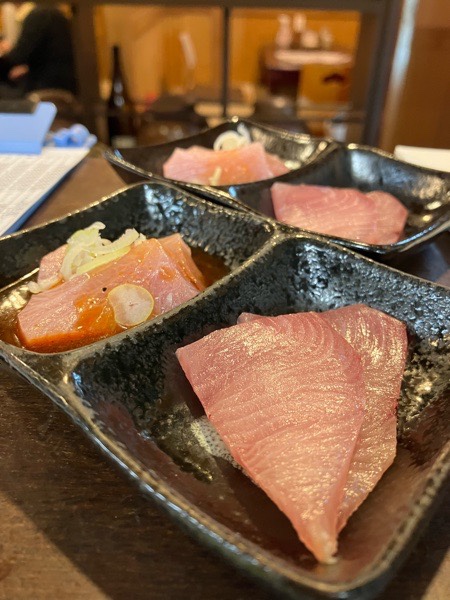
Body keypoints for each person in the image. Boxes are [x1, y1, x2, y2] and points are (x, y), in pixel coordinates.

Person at [0, 3, 76, 98]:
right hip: (60, 83)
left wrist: (8, 56)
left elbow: (18, 56)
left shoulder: (39, 15)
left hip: (47, 86)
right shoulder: (51, 12)